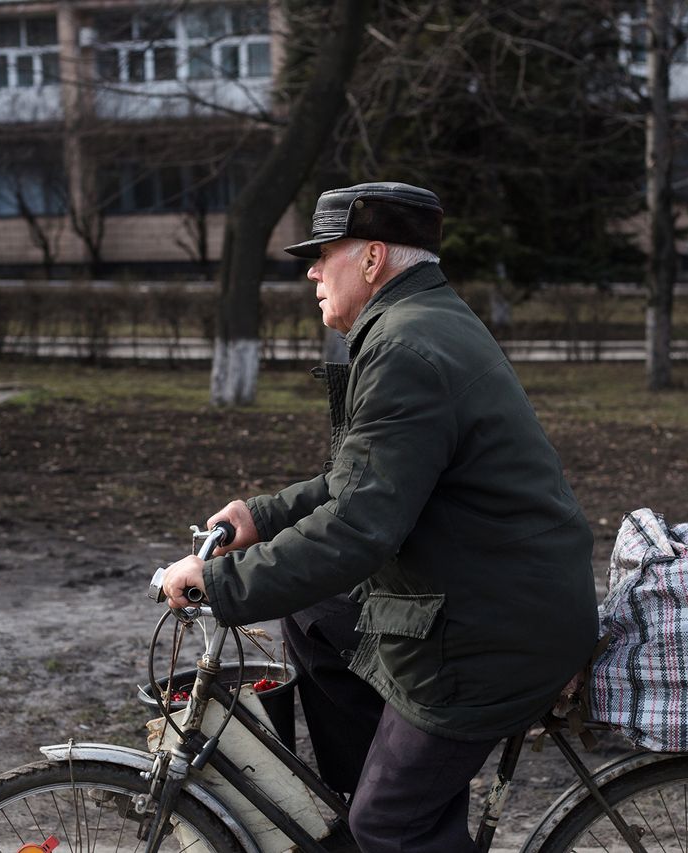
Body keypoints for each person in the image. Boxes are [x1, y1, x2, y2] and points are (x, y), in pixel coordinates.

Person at [162, 182, 598, 852]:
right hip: (485, 593)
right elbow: (360, 481)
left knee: (391, 824)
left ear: (370, 260)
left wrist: (219, 583)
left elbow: (358, 529)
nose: (311, 271)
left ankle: (391, 821)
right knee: (313, 618)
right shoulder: (417, 321)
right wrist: (261, 515)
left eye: (323, 253)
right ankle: (370, 800)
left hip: (489, 633)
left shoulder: (404, 347)